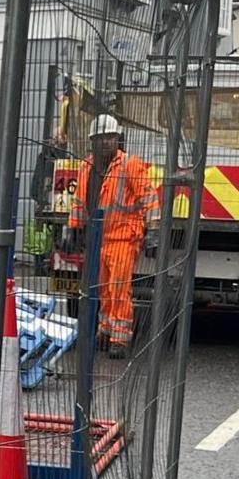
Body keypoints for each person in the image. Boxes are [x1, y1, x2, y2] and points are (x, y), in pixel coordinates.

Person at [63, 114, 155, 357]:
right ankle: (105, 330)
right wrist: (74, 228)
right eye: (101, 138)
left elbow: (149, 197)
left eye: (110, 137)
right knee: (102, 288)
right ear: (92, 141)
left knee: (118, 288)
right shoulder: (86, 167)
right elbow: (80, 202)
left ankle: (120, 339)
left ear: (118, 139)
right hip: (98, 238)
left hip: (124, 238)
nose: (106, 142)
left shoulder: (129, 165)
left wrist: (153, 229)